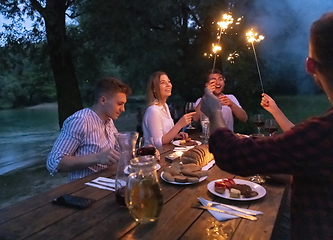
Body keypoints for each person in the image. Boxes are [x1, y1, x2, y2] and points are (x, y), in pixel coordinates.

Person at [201, 12, 333, 239]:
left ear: (309, 65)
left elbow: (230, 154)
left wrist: (214, 113)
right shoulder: (318, 138)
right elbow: (307, 158)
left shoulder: (321, 134)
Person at [47, 77, 131, 181]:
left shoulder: (109, 121)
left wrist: (137, 151)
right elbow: (53, 162)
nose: (123, 109)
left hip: (106, 183)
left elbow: (118, 152)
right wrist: (97, 158)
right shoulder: (80, 121)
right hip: (83, 190)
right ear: (103, 100)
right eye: (119, 104)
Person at [142, 71, 195, 147]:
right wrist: (179, 125)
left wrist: (176, 135)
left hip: (166, 153)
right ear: (154, 89)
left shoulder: (165, 106)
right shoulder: (153, 111)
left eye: (169, 82)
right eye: (163, 82)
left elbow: (165, 134)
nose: (168, 85)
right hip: (153, 156)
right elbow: (158, 142)